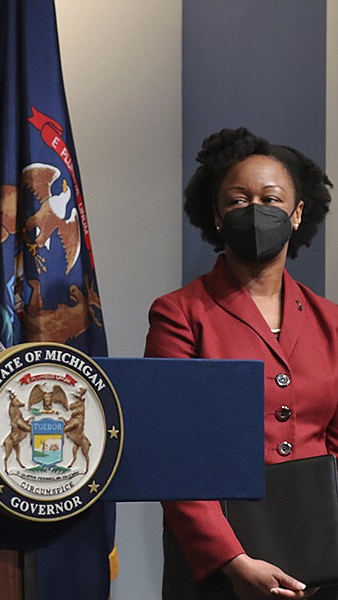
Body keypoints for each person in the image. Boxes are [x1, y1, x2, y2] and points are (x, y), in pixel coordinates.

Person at [145, 127, 338, 600]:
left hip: (321, 554)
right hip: (221, 564)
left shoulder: (330, 320)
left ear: (296, 215)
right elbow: (172, 449)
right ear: (215, 216)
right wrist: (232, 562)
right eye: (237, 200)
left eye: (271, 200)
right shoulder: (179, 314)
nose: (255, 211)